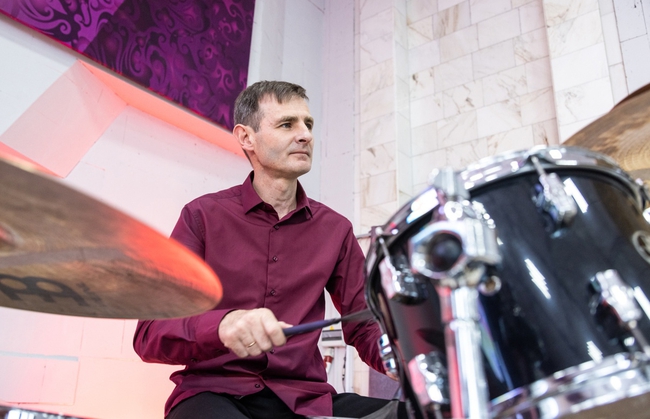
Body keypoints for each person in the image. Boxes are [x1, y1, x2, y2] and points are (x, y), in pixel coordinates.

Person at [133, 81, 407, 419]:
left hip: (305, 400)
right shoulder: (201, 216)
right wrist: (223, 325)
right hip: (215, 394)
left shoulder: (336, 229)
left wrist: (406, 360)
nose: (305, 135)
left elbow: (364, 324)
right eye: (287, 124)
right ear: (246, 137)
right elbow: (151, 332)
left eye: (308, 124)